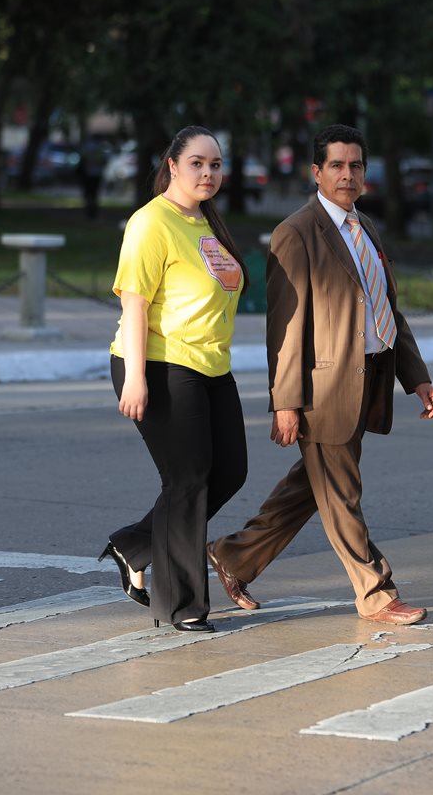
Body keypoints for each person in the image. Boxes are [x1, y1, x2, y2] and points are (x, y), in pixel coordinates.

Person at [207, 124, 433, 626]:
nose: (348, 174)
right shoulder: (295, 233)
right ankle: (376, 592)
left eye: (356, 165)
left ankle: (234, 556)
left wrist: (415, 376)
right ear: (316, 172)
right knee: (341, 494)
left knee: (316, 487)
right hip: (322, 390)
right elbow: (285, 327)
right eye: (336, 165)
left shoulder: (367, 228)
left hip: (366, 384)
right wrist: (286, 401)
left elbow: (386, 310)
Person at [98, 125, 249, 633]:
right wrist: (135, 378)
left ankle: (136, 544)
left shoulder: (207, 222)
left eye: (216, 165)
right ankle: (182, 605)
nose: (208, 173)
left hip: (211, 366)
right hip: (160, 364)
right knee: (187, 481)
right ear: (172, 166)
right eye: (197, 164)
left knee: (230, 472)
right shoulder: (150, 222)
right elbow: (134, 306)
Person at [77, 135, 107, 220]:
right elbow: (104, 161)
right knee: (94, 194)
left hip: (87, 174)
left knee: (88, 194)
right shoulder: (101, 148)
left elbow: (82, 160)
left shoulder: (87, 147)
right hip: (97, 174)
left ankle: (88, 210)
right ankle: (93, 211)